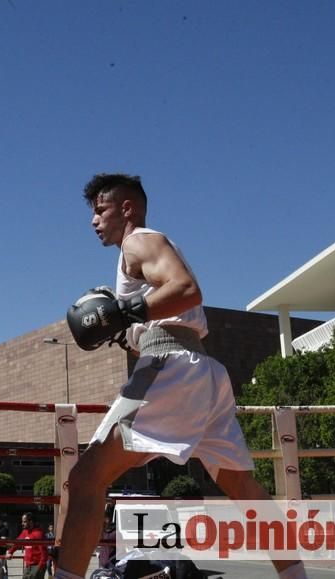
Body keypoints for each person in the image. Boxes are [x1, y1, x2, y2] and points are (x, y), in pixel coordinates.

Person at [57, 173, 307, 579]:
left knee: (86, 478)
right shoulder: (145, 249)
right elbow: (172, 306)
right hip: (204, 372)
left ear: (126, 208)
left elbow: (187, 289)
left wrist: (124, 312)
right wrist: (126, 327)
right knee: (245, 491)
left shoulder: (138, 241)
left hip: (171, 366)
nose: (94, 220)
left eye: (100, 210)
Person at [8, 512, 47, 579]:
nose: (22, 524)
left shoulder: (38, 534)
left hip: (37, 565)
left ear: (31, 522)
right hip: (28, 566)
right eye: (22, 522)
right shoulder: (25, 532)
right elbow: (17, 543)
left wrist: (40, 568)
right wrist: (10, 552)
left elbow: (44, 553)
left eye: (24, 522)